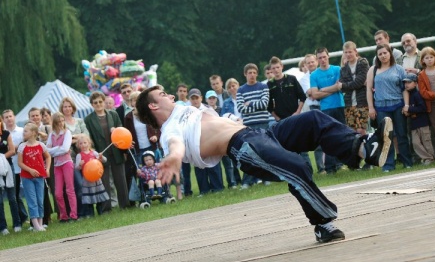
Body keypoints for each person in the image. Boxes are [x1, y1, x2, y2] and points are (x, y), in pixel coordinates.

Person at [136, 85, 393, 243]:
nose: (169, 94)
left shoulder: (185, 109)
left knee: (314, 119)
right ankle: (323, 223)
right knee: (297, 168)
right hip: (244, 147)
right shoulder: (171, 130)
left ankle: (363, 148)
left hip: (262, 134)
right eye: (162, 94)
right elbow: (176, 145)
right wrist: (173, 157)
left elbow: (215, 122)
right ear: (153, 105)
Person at [366, 44, 413, 172]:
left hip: (398, 105)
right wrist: (371, 108)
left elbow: (404, 89)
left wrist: (406, 105)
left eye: (385, 53)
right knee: (386, 137)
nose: (383, 56)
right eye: (380, 54)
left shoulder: (398, 69)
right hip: (381, 107)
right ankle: (388, 164)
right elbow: (369, 90)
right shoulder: (373, 70)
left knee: (402, 135)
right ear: (377, 56)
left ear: (390, 54)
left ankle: (407, 162)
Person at [84, 91, 129, 211]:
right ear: (92, 104)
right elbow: (89, 138)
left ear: (104, 102)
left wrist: (116, 130)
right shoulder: (88, 119)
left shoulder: (113, 114)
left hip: (116, 151)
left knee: (121, 180)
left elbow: (121, 130)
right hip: (100, 154)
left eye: (100, 101)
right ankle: (106, 208)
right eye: (95, 102)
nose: (98, 104)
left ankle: (125, 205)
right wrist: (93, 152)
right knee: (104, 183)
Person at [310, 48, 345, 174]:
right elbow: (315, 95)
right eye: (319, 58)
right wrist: (333, 88)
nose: (322, 60)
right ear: (317, 59)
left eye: (324, 57)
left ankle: (341, 163)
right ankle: (330, 167)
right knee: (328, 137)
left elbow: (340, 87)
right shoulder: (314, 75)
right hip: (325, 109)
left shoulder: (337, 70)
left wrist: (323, 89)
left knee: (342, 135)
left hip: (340, 105)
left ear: (328, 56)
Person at [237, 63, 271, 188]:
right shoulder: (241, 90)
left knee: (264, 151)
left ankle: (266, 177)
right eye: (249, 73)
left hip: (263, 123)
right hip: (249, 125)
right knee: (248, 153)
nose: (252, 75)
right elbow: (241, 108)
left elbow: (264, 104)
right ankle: (247, 181)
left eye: (254, 72)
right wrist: (255, 105)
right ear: (245, 74)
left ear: (257, 74)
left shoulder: (263, 86)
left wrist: (249, 103)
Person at [188, 88, 224, 195]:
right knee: (199, 166)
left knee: (213, 164)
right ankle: (204, 190)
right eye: (192, 98)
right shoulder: (187, 112)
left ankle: (217, 187)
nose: (195, 101)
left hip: (209, 139)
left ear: (201, 98)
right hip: (195, 141)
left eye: (197, 98)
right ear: (190, 99)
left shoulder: (208, 110)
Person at [17, 123, 51, 232]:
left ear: (33, 133)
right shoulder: (22, 146)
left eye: (26, 131)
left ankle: (40, 224)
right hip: (27, 178)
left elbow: (48, 157)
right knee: (32, 201)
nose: (23, 133)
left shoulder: (41, 145)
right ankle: (36, 225)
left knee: (40, 200)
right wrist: (30, 170)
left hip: (40, 177)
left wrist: (47, 169)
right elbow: (20, 163)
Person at [60, 97, 90, 218]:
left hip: (84, 157)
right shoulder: (61, 124)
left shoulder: (79, 121)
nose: (67, 109)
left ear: (73, 108)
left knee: (88, 184)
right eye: (65, 106)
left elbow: (86, 136)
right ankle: (81, 212)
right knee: (78, 185)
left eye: (69, 106)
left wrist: (73, 137)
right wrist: (78, 137)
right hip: (70, 159)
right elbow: (63, 140)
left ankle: (90, 211)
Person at [46, 112, 77, 222]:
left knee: (70, 190)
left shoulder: (67, 133)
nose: (61, 123)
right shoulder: (51, 135)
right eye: (58, 122)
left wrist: (55, 150)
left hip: (67, 163)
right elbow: (47, 150)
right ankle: (63, 215)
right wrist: (58, 148)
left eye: (62, 121)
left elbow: (65, 149)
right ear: (54, 123)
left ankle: (73, 215)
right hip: (57, 165)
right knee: (58, 193)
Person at [2, 109, 28, 225]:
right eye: (6, 117)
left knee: (20, 195)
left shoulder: (22, 131)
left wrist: (17, 148)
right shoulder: (4, 133)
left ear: (14, 117)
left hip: (23, 167)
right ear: (3, 120)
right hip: (10, 168)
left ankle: (24, 217)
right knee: (15, 195)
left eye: (10, 116)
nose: (9, 119)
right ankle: (22, 217)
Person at [338, 42, 370, 136]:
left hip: (362, 102)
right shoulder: (343, 69)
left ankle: (366, 150)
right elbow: (341, 89)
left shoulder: (362, 63)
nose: (348, 54)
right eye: (346, 52)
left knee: (361, 131)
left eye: (350, 52)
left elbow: (358, 82)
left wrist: (344, 85)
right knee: (352, 132)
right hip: (348, 104)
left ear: (355, 51)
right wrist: (345, 86)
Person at [402, 74, 435, 165]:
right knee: (415, 143)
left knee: (426, 141)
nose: (406, 84)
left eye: (409, 82)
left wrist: (409, 109)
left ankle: (430, 158)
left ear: (415, 83)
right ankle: (426, 157)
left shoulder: (417, 94)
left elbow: (422, 108)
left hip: (422, 122)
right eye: (405, 83)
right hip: (414, 123)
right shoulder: (408, 95)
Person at [75, 134, 109, 217]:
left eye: (85, 143)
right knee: (88, 196)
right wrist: (79, 165)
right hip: (87, 179)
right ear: (78, 145)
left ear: (89, 143)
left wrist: (101, 157)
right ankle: (90, 212)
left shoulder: (94, 153)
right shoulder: (79, 155)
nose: (83, 145)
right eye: (81, 143)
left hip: (96, 178)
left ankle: (100, 210)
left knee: (98, 194)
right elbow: (76, 168)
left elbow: (104, 160)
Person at [0, 116, 22, 235]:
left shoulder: (5, 133)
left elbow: (12, 150)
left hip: (8, 167)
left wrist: (2, 158)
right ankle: (3, 227)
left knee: (12, 198)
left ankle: (17, 223)